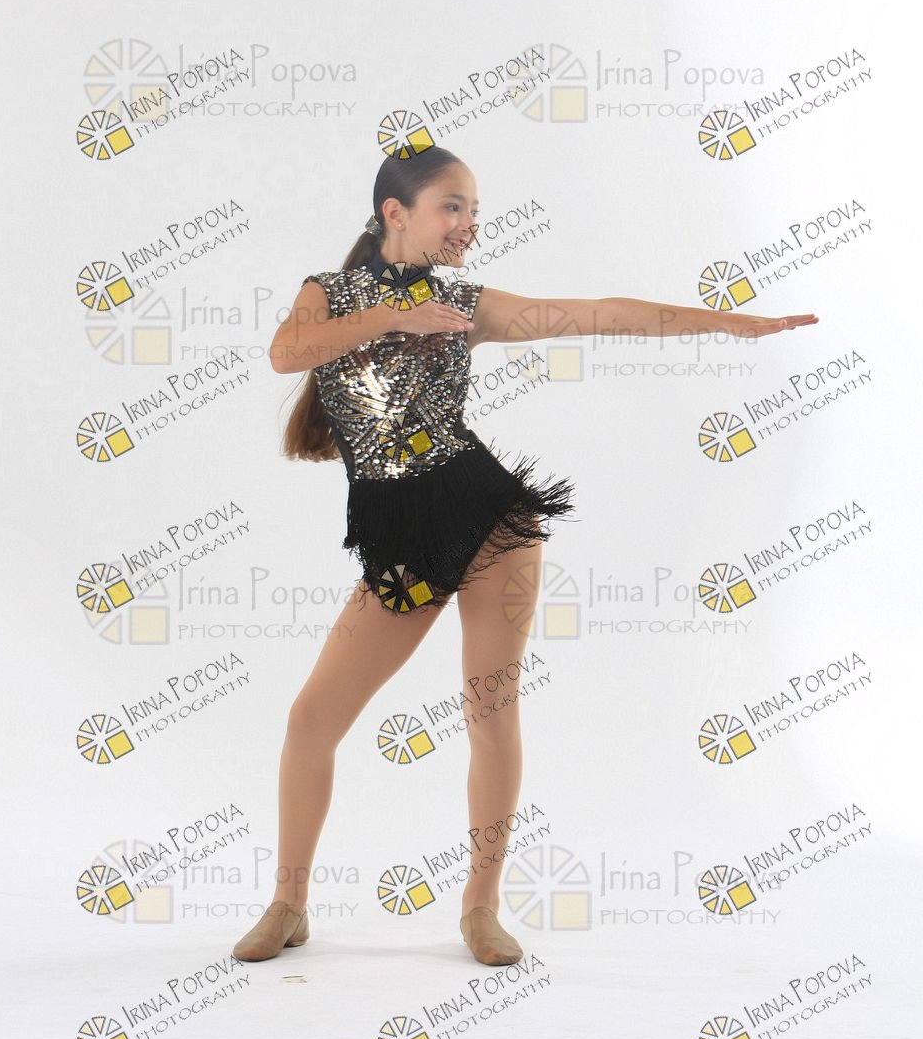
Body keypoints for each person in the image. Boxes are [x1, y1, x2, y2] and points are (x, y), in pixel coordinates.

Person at [232, 147, 818, 967]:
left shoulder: (464, 303)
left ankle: (480, 907)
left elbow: (597, 314)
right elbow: (287, 353)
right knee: (311, 720)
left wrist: (724, 322)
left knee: (489, 708)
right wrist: (396, 316)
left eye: (474, 209)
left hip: (488, 521)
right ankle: (289, 904)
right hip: (400, 538)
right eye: (452, 205)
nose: (469, 223)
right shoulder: (328, 293)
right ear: (394, 211)